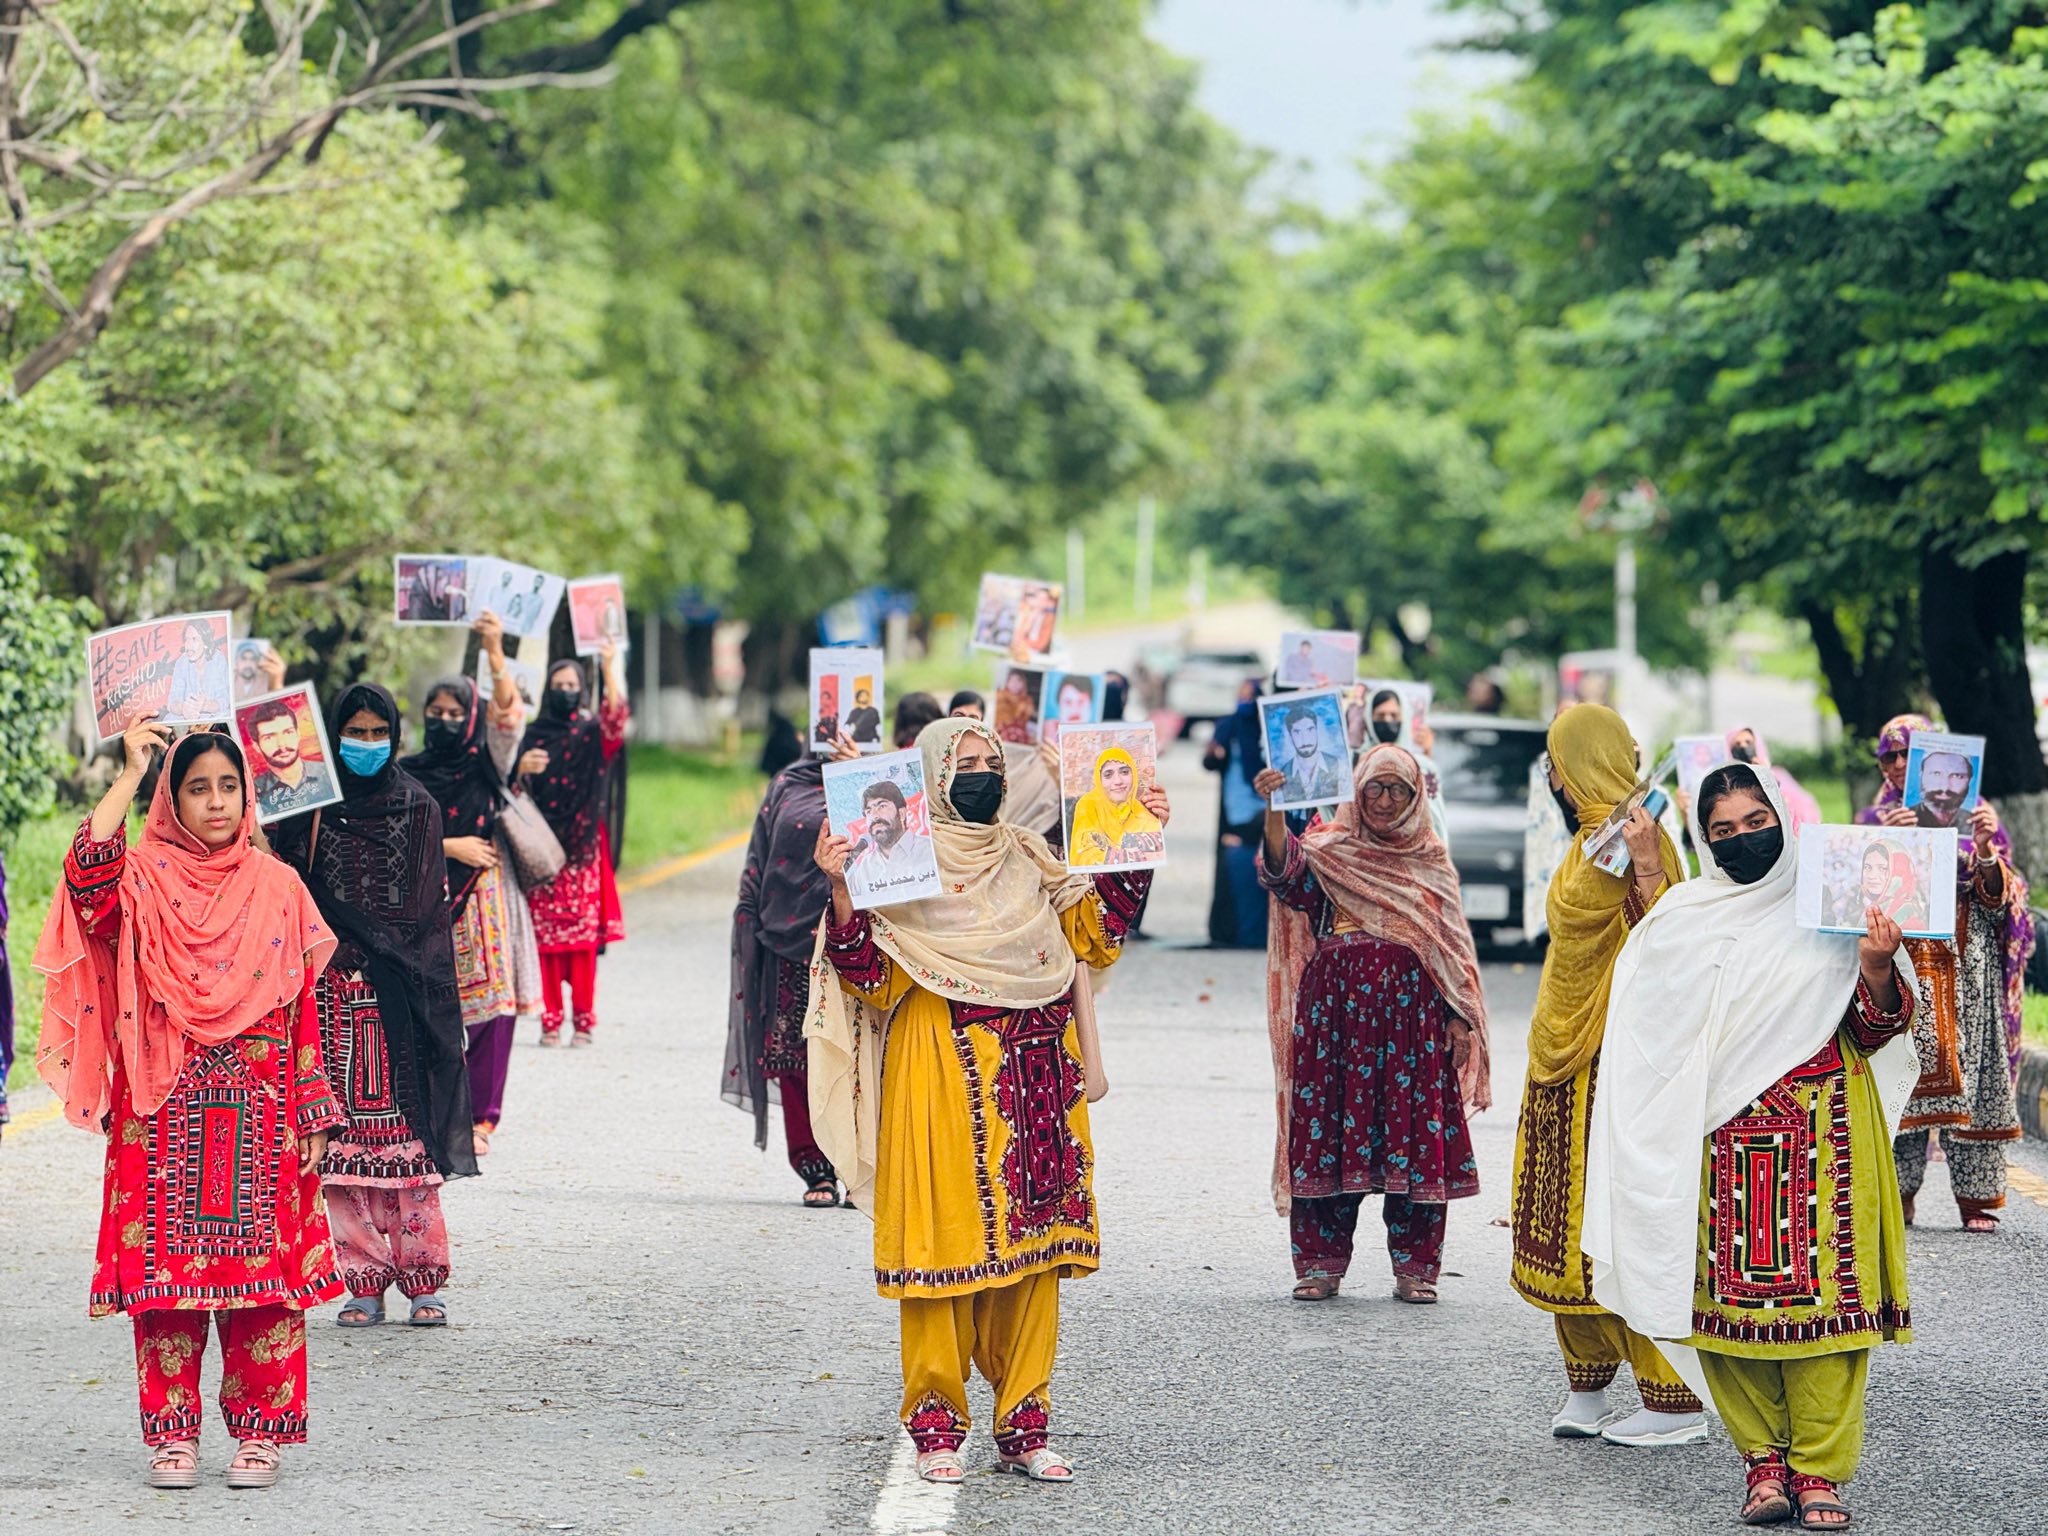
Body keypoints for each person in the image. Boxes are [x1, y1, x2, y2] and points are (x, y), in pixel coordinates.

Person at [807, 717, 1168, 1485]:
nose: (983, 776)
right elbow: (869, 976)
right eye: (965, 764)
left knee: (1034, 1258)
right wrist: (841, 886)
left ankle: (1024, 1422)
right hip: (941, 1074)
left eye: (992, 763)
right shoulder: (896, 862)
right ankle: (937, 1428)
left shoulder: (1029, 858)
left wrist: (1134, 846)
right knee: (943, 1246)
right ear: (934, 777)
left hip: (1039, 1077)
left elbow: (1097, 939)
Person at [1585, 763, 1919, 1530]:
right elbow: (1653, 1019)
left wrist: (1873, 964)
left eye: (1755, 823)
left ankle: (1818, 1471)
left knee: (1829, 1316)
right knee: (1725, 1314)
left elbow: (1872, 1030)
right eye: (1724, 832)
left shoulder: (1835, 908)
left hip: (1827, 1135)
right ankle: (1762, 1466)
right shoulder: (1688, 917)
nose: (1743, 841)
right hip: (1719, 1147)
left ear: (1785, 819)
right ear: (1706, 841)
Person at [34, 720, 343, 1489]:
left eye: (227, 787)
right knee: (165, 1285)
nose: (214, 802)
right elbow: (86, 879)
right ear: (172, 798)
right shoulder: (141, 876)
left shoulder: (278, 886)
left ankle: (259, 1436)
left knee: (267, 1282)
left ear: (247, 796)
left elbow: (305, 1004)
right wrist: (131, 772)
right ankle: (172, 1437)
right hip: (161, 1106)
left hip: (264, 1105)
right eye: (196, 787)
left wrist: (311, 1105)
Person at [1508, 703, 1703, 1446]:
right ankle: (1586, 1383)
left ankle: (1669, 1395)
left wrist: (1648, 862)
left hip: (1623, 1059)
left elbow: (1672, 937)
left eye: (1559, 757)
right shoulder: (1587, 839)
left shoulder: (1644, 836)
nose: (1553, 774)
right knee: (1565, 1224)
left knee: (1627, 1221)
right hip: (1561, 1053)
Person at [271, 684, 477, 1330]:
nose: (364, 743)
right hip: (329, 994)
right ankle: (361, 1280)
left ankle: (423, 1279)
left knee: (408, 1142)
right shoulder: (314, 808)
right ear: (333, 736)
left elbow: (421, 910)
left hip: (399, 996)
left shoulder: (418, 806)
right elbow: (283, 877)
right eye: (352, 732)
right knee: (338, 1148)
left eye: (374, 731)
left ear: (392, 731)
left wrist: (367, 948)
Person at [1257, 745, 1491, 1303]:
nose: (1385, 801)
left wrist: (1459, 1021)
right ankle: (1318, 1264)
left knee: (1413, 1139)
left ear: (1416, 799)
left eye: (1398, 791)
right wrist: (1274, 806)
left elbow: (1452, 953)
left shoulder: (1430, 862)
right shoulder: (1331, 851)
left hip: (1413, 1027)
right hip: (1334, 1021)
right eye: (1374, 789)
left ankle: (1416, 1269)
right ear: (1355, 793)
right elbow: (1285, 874)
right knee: (1326, 1134)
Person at [1858, 714, 2032, 1232]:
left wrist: (1982, 852)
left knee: (1974, 1073)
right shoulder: (1873, 817)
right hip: (1902, 962)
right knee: (1899, 1068)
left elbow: (2007, 900)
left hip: (1966, 965)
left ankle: (1976, 1198)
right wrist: (1883, 844)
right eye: (1887, 755)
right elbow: (1849, 891)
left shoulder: (1977, 817)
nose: (1894, 764)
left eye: (1906, 755)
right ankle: (1899, 1191)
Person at [401, 619, 540, 1157]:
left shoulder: (489, 764)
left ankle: (482, 1117)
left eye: (456, 714)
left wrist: (493, 653)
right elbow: (395, 835)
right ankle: (436, 1110)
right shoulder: (408, 771)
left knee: (488, 1007)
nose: (445, 722)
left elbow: (509, 713)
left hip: (482, 896)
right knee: (430, 1006)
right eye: (436, 714)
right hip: (424, 897)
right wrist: (450, 845)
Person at [727, 728, 848, 1208]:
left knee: (850, 1055)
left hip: (848, 938)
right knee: (794, 1060)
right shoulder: (787, 783)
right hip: (786, 940)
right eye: (824, 725)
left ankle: (853, 1165)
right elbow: (760, 851)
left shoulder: (875, 780)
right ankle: (814, 1169)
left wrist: (855, 772)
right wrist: (748, 914)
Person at [517, 645, 630, 1045]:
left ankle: (584, 1021)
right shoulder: (532, 736)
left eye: (571, 685)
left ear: (581, 691)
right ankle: (551, 1020)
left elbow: (616, 721)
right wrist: (521, 767)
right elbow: (509, 786)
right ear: (548, 691)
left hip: (582, 850)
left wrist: (609, 667)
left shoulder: (589, 734)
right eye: (558, 685)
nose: (565, 690)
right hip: (541, 850)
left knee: (581, 943)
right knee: (545, 940)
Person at [1204, 680, 1269, 948]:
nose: (1245, 700)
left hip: (1263, 807)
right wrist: (1214, 753)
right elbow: (1209, 762)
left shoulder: (1266, 728)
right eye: (1240, 694)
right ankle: (1228, 930)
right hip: (1235, 807)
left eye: (1250, 695)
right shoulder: (1227, 725)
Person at [1366, 688, 1449, 845]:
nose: (1387, 721)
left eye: (1394, 715)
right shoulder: (1357, 764)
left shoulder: (1423, 766)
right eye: (1380, 716)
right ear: (1369, 720)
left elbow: (1434, 818)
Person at [1067, 746, 1165, 867]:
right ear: (1099, 780)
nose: (1118, 781)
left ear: (1133, 774)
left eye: (1124, 772)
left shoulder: (1142, 811)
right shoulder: (1088, 804)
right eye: (1108, 775)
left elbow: (1156, 847)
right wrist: (1133, 852)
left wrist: (1160, 824)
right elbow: (1085, 856)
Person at [843, 780, 935, 904]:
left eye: (881, 806)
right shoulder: (863, 871)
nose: (874, 816)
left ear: (901, 813)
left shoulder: (931, 850)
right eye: (868, 811)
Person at [248, 697, 337, 821]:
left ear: (298, 734)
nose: (282, 744)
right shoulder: (252, 793)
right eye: (269, 737)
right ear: (256, 746)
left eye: (288, 732)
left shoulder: (329, 774)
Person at [1724, 726, 1821, 833]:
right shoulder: (1726, 782)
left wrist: (1766, 775)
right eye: (1737, 744)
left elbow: (1801, 805)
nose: (1743, 746)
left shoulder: (1778, 774)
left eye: (1748, 742)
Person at [1274, 699, 1346, 806]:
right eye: (1297, 732)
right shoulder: (1281, 775)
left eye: (1310, 730)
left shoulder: (1339, 765)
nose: (1305, 740)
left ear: (1317, 731)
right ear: (1290, 736)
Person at [165, 619, 230, 722]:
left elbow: (224, 701)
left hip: (212, 718)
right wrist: (183, 709)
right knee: (169, 718)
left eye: (194, 639)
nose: (188, 646)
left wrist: (205, 705)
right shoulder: (181, 662)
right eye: (187, 640)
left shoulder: (218, 659)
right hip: (187, 718)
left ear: (205, 642)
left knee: (226, 714)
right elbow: (172, 702)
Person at [1911, 749, 1975, 828]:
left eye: (1957, 776)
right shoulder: (1903, 819)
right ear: (1921, 776)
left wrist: (1984, 840)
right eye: (1936, 774)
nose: (1945, 788)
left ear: (1970, 780)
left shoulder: (1974, 824)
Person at [1043, 674, 1095, 750]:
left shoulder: (1099, 740)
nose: (1074, 710)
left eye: (1081, 702)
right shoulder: (1045, 732)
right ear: (1059, 704)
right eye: (1068, 702)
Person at [994, 670, 1039, 746]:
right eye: (1011, 681)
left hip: (1020, 736)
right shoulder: (1000, 696)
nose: (1015, 684)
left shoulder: (1027, 701)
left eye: (1018, 681)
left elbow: (1024, 721)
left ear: (1023, 684)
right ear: (1007, 683)